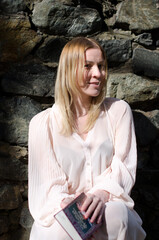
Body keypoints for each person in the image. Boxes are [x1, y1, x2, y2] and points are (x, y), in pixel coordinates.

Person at [28, 37, 146, 240]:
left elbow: (123, 167)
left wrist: (101, 194)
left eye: (101, 66)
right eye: (88, 66)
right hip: (64, 215)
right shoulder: (43, 123)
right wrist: (71, 209)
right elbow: (48, 186)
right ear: (69, 70)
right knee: (57, 231)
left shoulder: (117, 111)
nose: (98, 74)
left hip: (108, 207)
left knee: (117, 215)